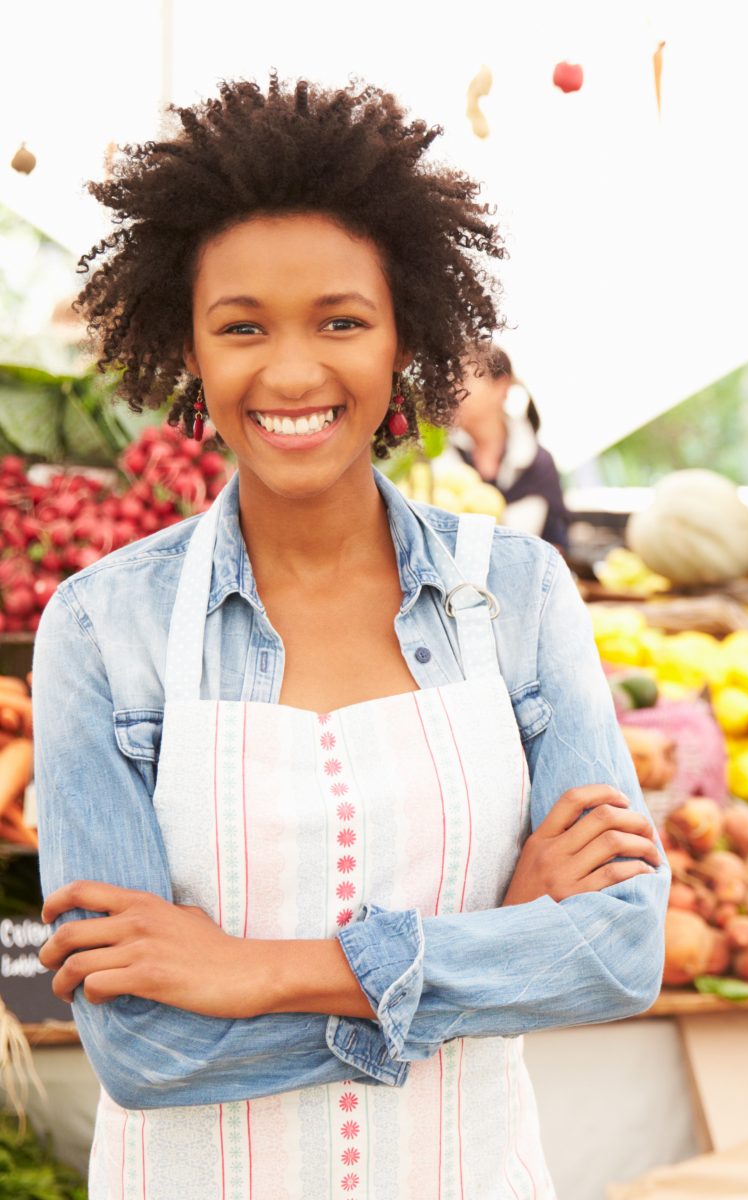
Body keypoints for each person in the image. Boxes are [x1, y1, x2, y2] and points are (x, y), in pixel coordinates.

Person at [31, 77, 665, 1198]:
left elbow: (616, 954)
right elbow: (147, 1051)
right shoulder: (101, 627)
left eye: (340, 320)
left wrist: (254, 972)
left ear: (403, 335)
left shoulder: (517, 593)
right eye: (241, 328)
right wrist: (503, 939)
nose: (289, 372)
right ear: (187, 345)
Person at [451, 344, 572, 551]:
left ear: (501, 387)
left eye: (463, 378)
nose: (452, 388)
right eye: (450, 379)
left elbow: (559, 546)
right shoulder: (436, 460)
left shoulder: (538, 465)